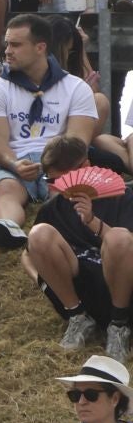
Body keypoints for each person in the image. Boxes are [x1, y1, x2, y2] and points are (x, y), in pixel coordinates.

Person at [0, 12, 96, 250]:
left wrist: (53, 167)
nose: (7, 51)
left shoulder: (76, 88)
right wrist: (14, 164)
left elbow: (77, 144)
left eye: (16, 44)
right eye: (7, 44)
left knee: (65, 191)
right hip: (14, 163)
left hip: (61, 161)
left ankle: (63, 230)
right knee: (7, 189)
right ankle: (7, 228)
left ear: (40, 47)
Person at [30, 135, 133, 356]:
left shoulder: (124, 197)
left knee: (118, 237)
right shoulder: (52, 209)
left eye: (63, 179)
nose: (59, 187)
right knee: (38, 235)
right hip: (81, 290)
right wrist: (43, 282)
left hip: (123, 288)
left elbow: (126, 246)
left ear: (85, 167)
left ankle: (119, 326)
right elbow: (28, 255)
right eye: (52, 181)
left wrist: (92, 222)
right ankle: (78, 317)